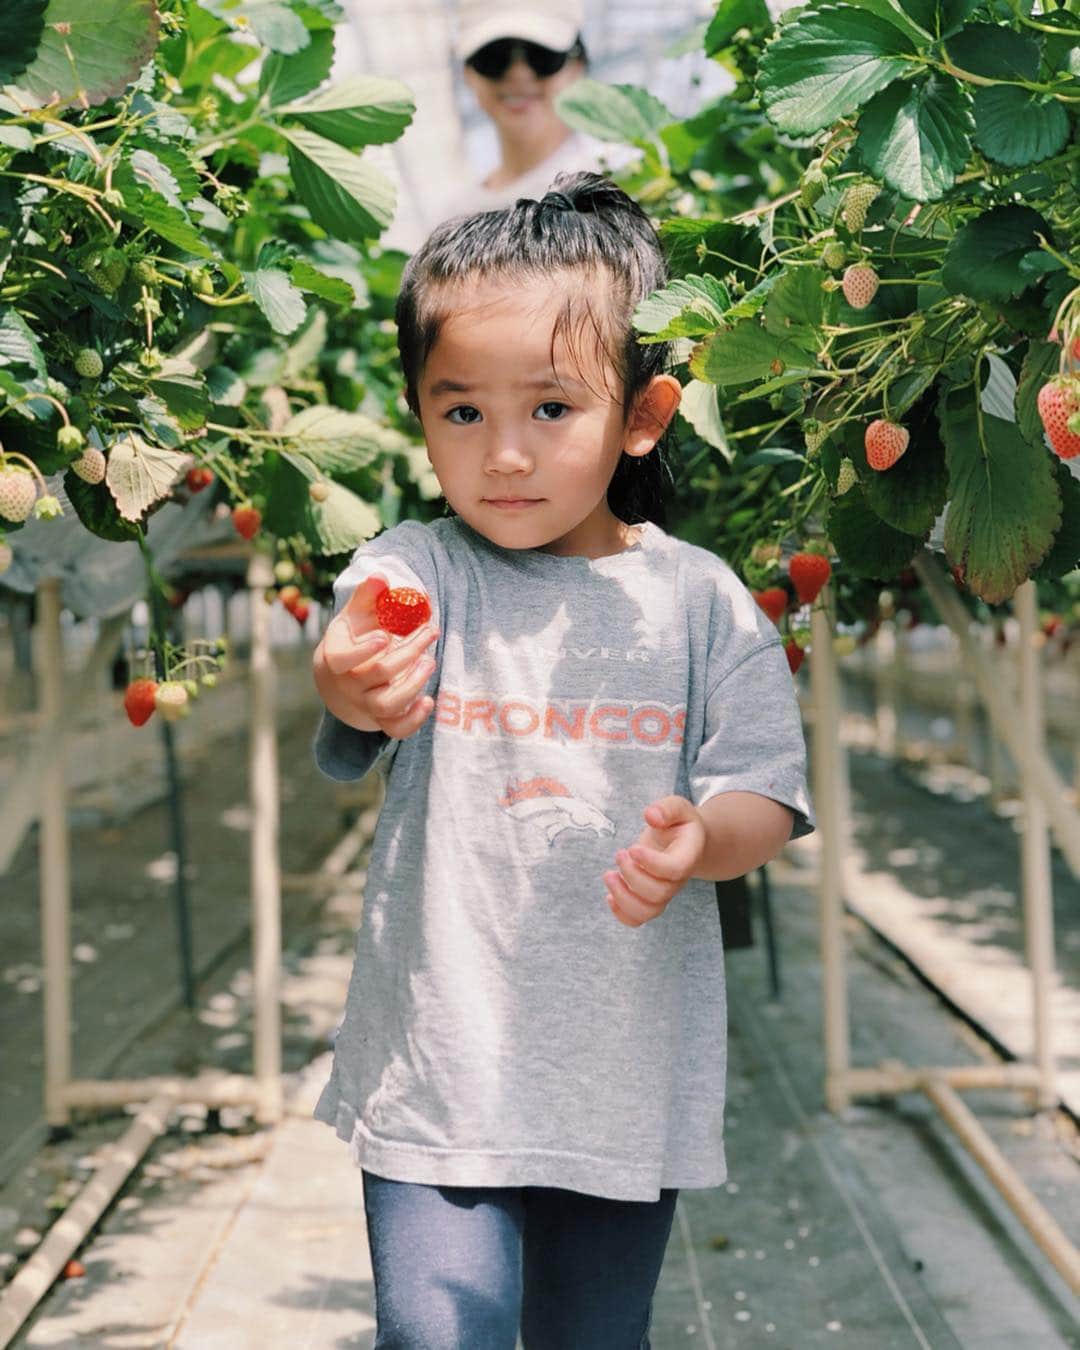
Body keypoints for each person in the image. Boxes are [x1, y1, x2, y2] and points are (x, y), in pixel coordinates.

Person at [311, 172, 814, 1349]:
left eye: (549, 409)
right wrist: (349, 673)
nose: (502, 455)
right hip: (440, 1063)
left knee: (596, 1336)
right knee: (438, 1336)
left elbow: (764, 791)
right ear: (420, 414)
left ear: (641, 417)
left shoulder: (699, 602)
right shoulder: (424, 562)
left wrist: (704, 836)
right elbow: (361, 634)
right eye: (461, 413)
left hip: (620, 1074)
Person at [439, 0, 635, 220]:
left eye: (541, 57)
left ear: (577, 65)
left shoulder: (626, 175)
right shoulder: (458, 217)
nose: (519, 73)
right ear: (467, 73)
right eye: (494, 58)